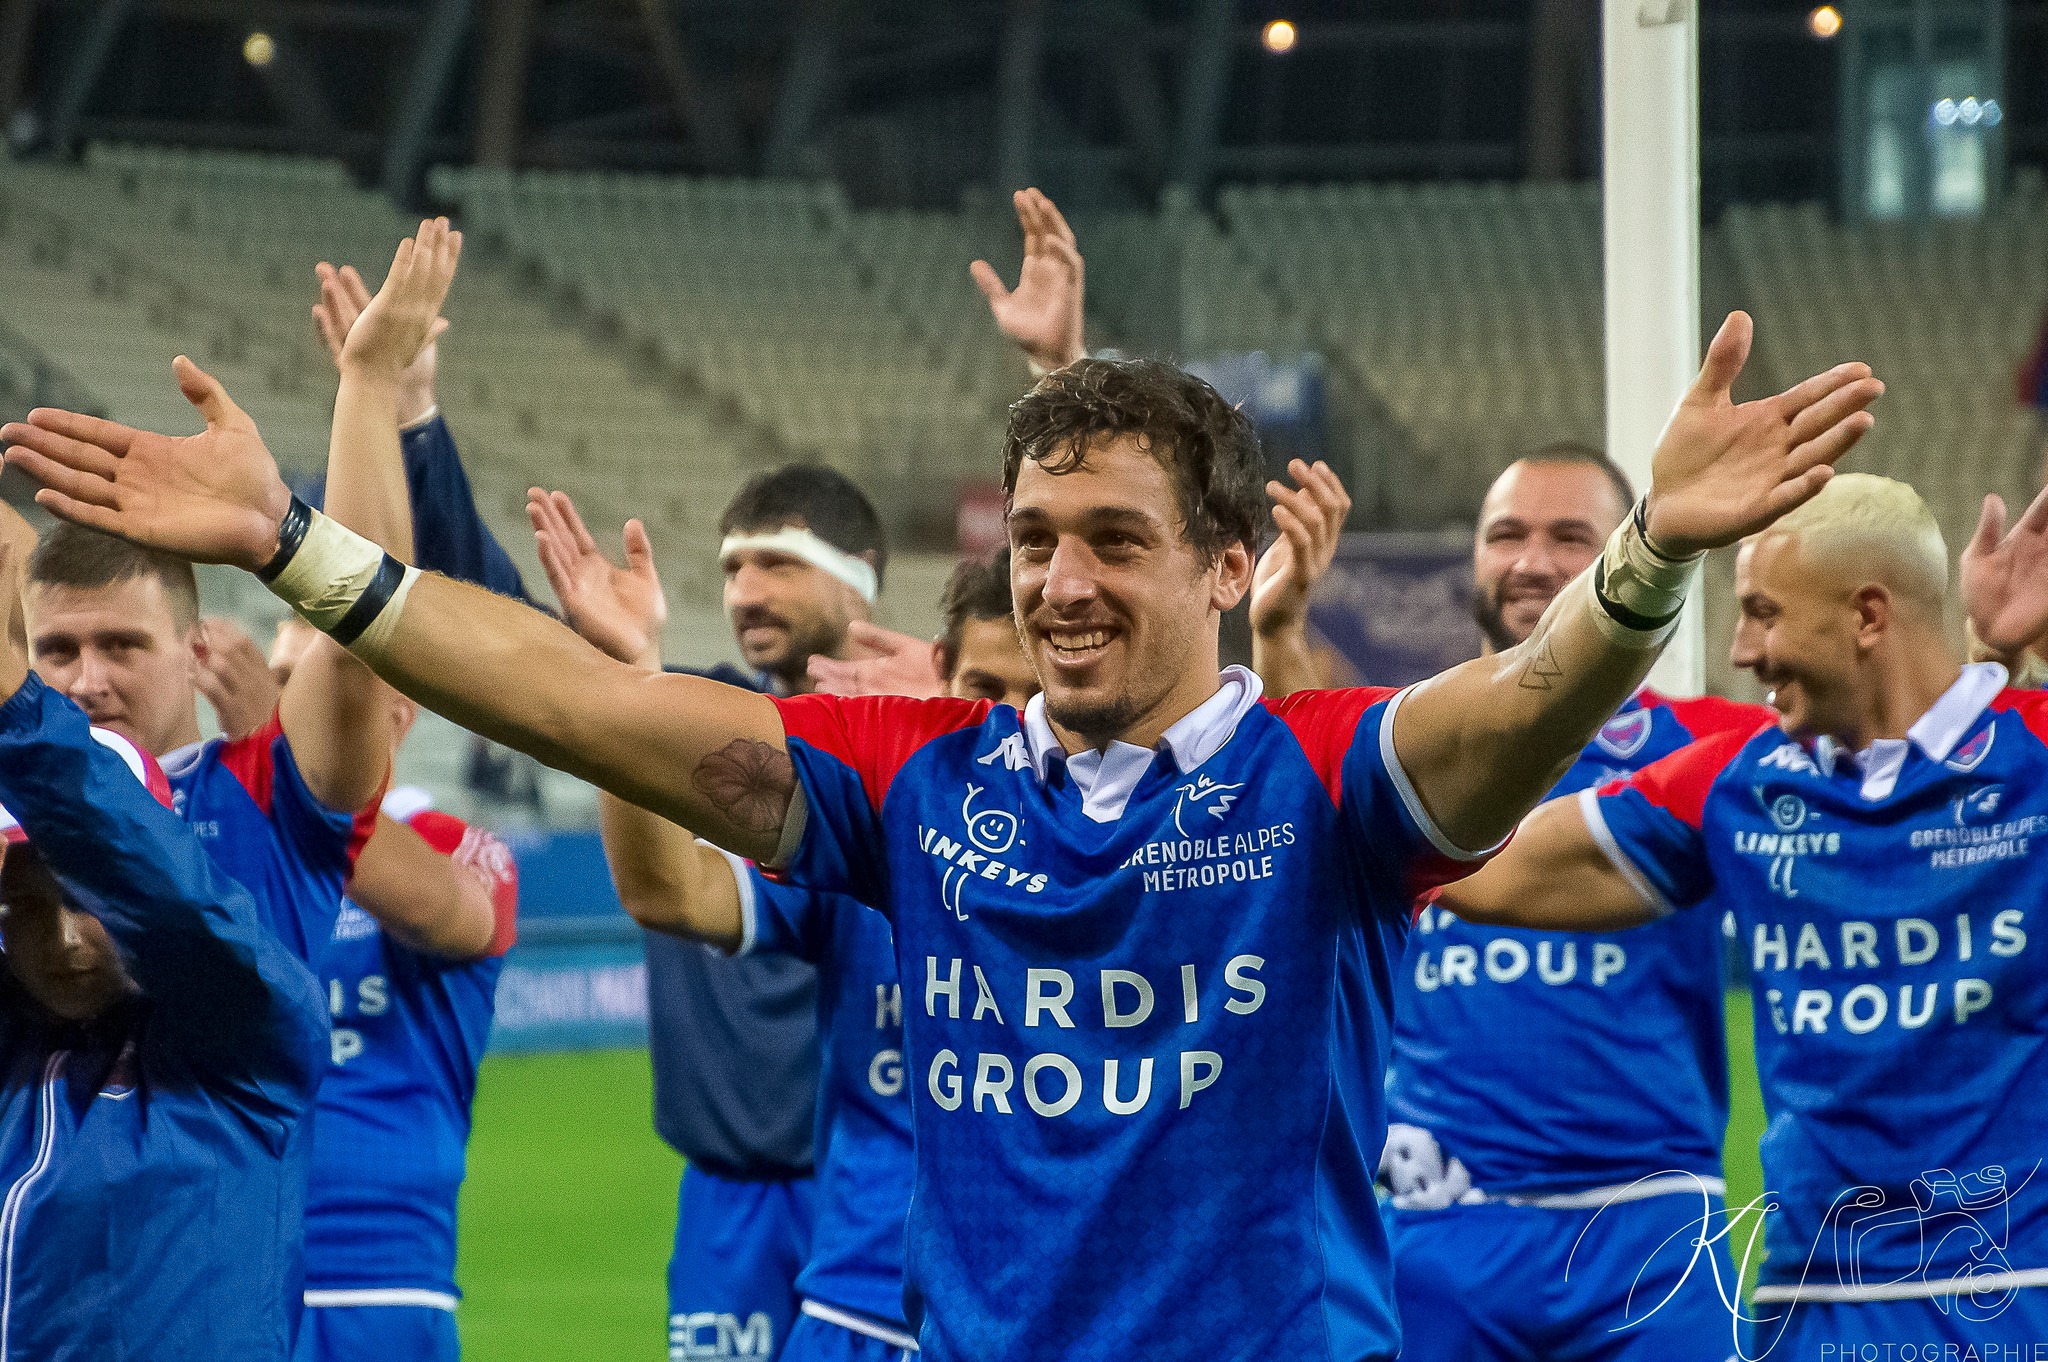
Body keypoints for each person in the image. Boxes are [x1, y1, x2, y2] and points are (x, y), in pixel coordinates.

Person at [1, 309, 1883, 1361]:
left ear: (1229, 568)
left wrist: (1649, 556)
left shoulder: (1318, 782)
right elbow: (578, 703)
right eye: (1036, 540)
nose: (1061, 584)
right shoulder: (917, 779)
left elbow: (1516, 708)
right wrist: (293, 548)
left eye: (1116, 542)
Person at [1415, 473, 2048, 1353]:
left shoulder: (2032, 755)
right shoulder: (1736, 782)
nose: (1742, 650)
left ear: (1868, 617)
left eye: (1762, 613)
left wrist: (2006, 661)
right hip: (1811, 1301)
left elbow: (1968, 735)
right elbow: (1485, 870)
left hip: (2013, 1295)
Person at [1256, 442, 1773, 1359]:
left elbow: (1895, 777)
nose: (1532, 561)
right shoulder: (1412, 751)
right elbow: (1309, 789)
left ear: (1627, 553)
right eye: (1506, 535)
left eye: (1571, 536)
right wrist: (1279, 631)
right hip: (1441, 1232)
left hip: (1650, 1240)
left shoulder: (1710, 749)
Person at [536, 486, 1035, 1362]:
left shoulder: (1148, 871)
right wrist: (626, 676)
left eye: (1033, 697)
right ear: (944, 685)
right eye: (983, 690)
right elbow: (668, 892)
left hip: (1037, 1309)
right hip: (860, 1305)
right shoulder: (881, 841)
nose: (1008, 722)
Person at [11, 227, 466, 970]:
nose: (88, 681)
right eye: (58, 651)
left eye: (122, 645)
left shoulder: (270, 786)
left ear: (196, 651)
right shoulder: (14, 799)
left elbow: (361, 641)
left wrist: (370, 385)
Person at [0, 523, 329, 1360]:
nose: (65, 939)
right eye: (26, 904)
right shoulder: (17, 1047)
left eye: (90, 900)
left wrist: (17, 709)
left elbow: (160, 889)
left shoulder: (247, 1026)